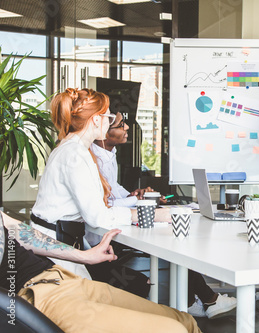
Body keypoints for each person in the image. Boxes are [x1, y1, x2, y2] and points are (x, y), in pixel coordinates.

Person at [91, 110, 245, 319]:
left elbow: (113, 189)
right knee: (172, 239)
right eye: (120, 125)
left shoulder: (107, 155)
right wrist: (138, 201)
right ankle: (204, 299)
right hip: (98, 236)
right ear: (102, 133)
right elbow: (104, 204)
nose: (127, 127)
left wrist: (133, 195)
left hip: (110, 226)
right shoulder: (93, 159)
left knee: (173, 237)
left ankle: (194, 299)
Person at [29, 88, 170, 297]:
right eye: (109, 117)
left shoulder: (71, 148)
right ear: (96, 120)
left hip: (62, 243)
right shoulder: (75, 155)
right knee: (129, 287)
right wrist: (151, 214)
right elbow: (97, 217)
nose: (110, 121)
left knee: (130, 283)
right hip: (57, 250)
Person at [0, 211, 200, 333]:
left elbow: (14, 227)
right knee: (173, 330)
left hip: (62, 278)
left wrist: (83, 255)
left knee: (185, 321)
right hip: (39, 296)